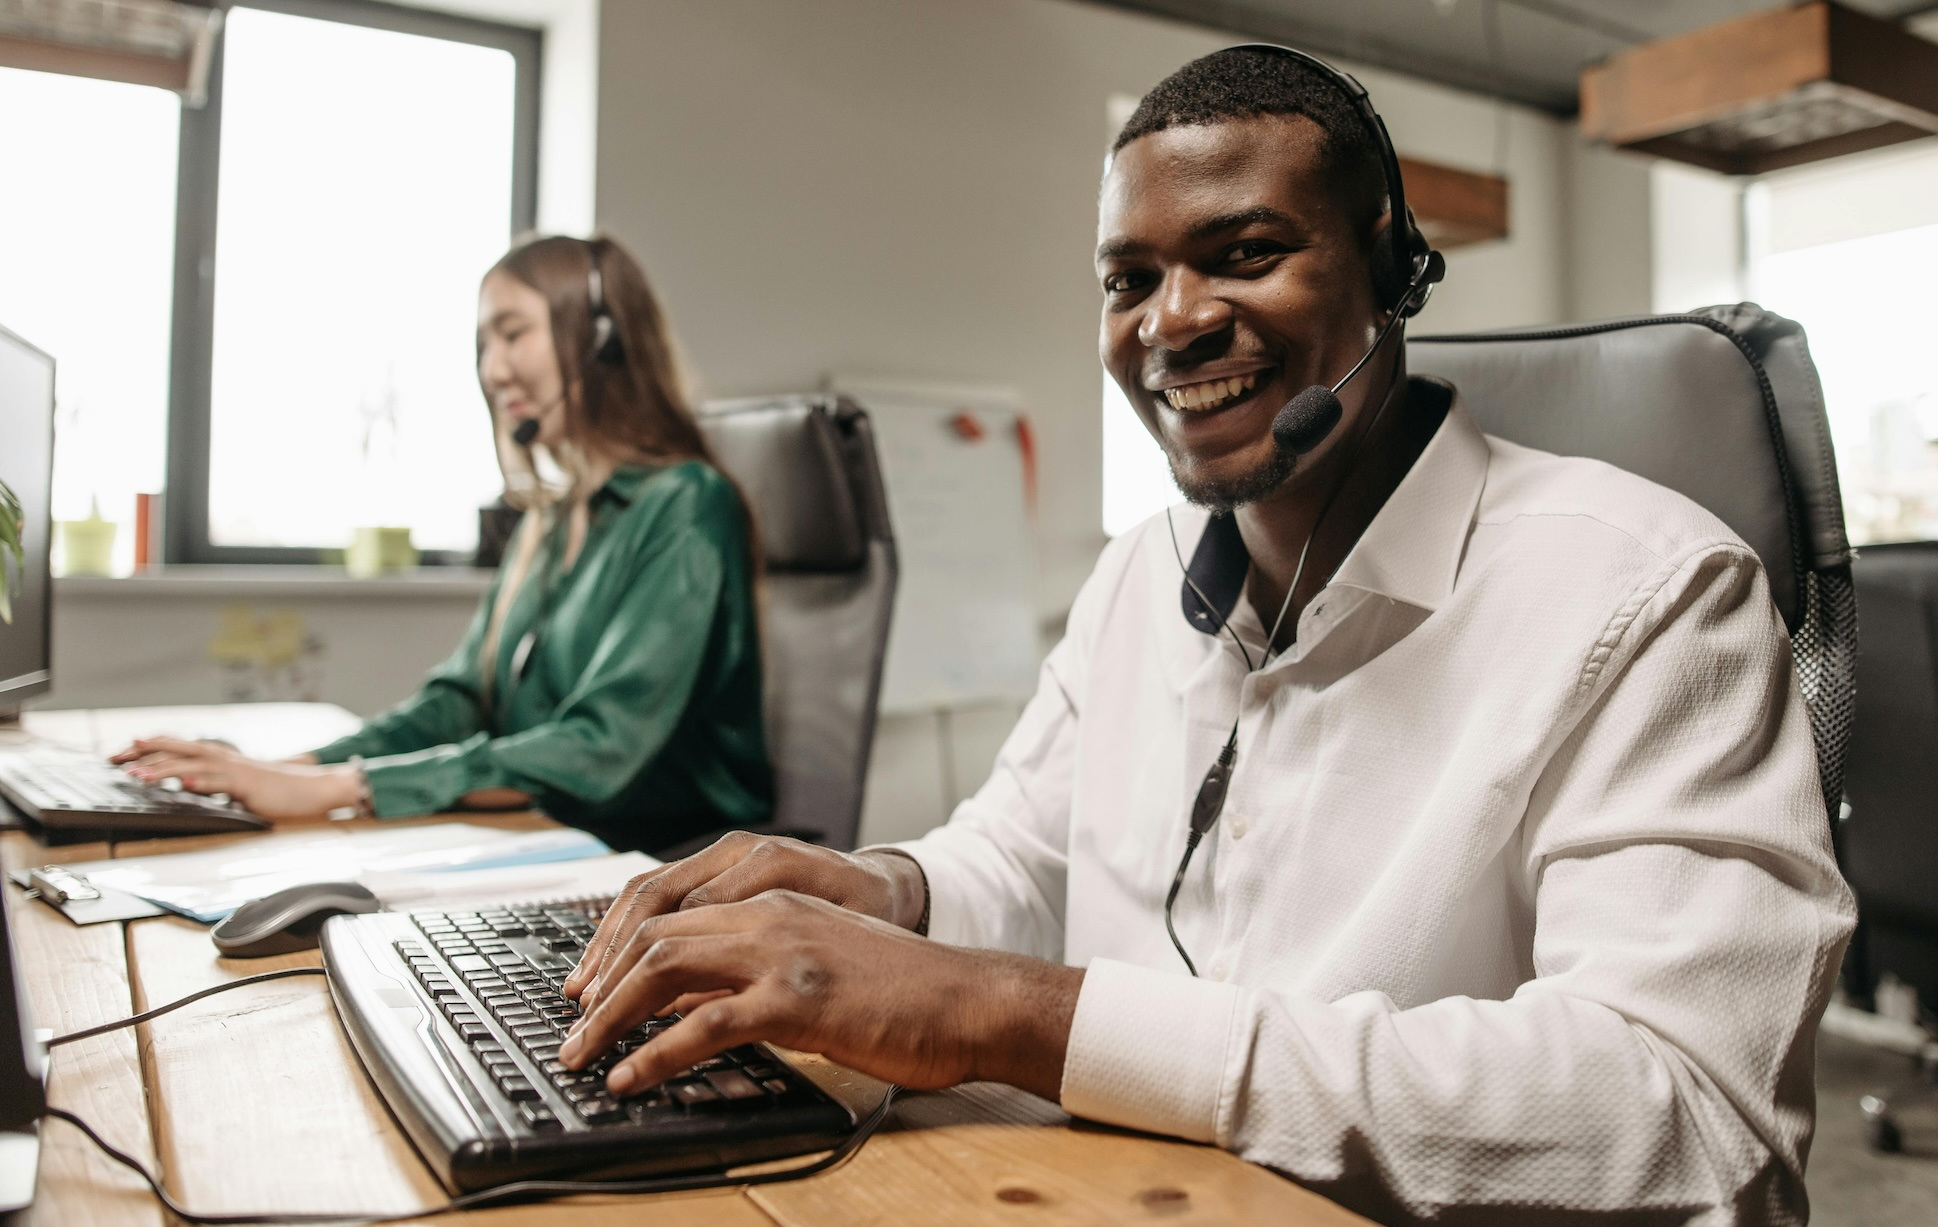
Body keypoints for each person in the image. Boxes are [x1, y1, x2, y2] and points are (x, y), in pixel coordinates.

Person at [554, 48, 1855, 1224]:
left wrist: (1014, 1013)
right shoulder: (1142, 574)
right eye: (1131, 278)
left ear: (1390, 260)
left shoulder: (1651, 591)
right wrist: (884, 890)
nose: (1171, 320)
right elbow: (1021, 849)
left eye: (1241, 252)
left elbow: (1688, 1113)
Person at [116, 235, 772, 856]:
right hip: (544, 835)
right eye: (483, 344)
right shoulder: (550, 520)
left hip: (656, 864)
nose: (492, 369)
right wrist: (284, 770)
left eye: (513, 333)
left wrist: (343, 788)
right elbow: (458, 703)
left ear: (599, 339)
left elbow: (599, 746)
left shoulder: (686, 502)